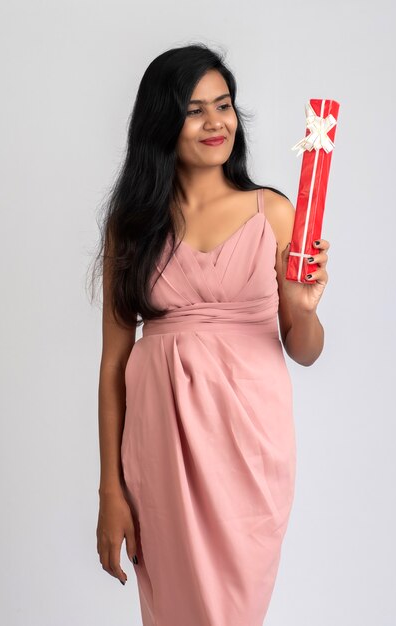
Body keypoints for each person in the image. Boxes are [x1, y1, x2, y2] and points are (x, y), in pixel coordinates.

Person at [91, 43, 329, 626]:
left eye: (223, 105)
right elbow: (112, 365)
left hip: (248, 448)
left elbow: (304, 350)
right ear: (160, 121)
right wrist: (110, 492)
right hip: (158, 450)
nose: (215, 122)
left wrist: (301, 307)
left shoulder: (272, 212)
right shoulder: (134, 227)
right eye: (194, 109)